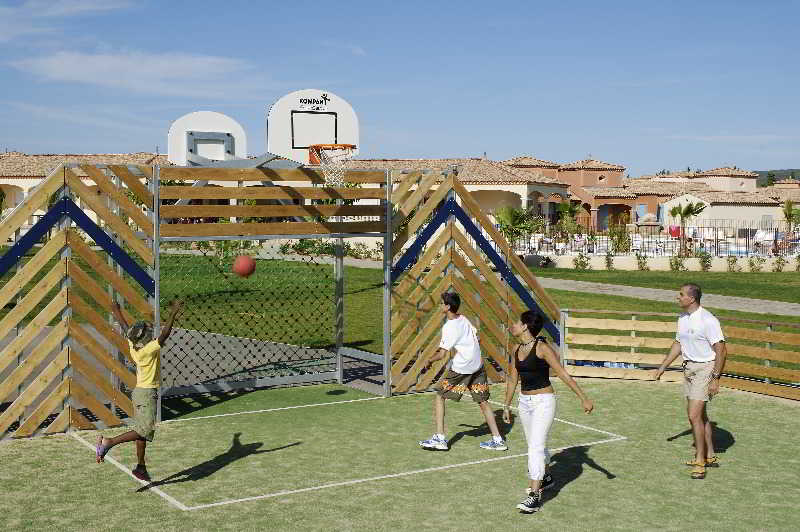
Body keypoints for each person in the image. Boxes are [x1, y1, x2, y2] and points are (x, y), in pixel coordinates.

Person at [502, 310, 594, 514]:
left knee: (535, 447)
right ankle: (547, 477)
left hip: (544, 401)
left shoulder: (542, 348)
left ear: (525, 326)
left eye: (517, 322)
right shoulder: (516, 348)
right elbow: (512, 379)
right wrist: (507, 405)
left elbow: (561, 373)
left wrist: (583, 397)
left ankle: (534, 497)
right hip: (524, 402)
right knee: (534, 444)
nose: (514, 325)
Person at [95, 299, 184, 481]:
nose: (152, 333)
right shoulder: (148, 350)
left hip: (139, 393)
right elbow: (164, 335)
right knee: (144, 430)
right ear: (144, 339)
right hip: (147, 394)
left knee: (141, 431)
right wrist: (174, 313)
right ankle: (109, 442)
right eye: (149, 333)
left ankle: (141, 467)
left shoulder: (134, 345)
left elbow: (125, 327)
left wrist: (116, 311)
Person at [654, 283, 727, 480]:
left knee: (693, 416)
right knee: (701, 415)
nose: (677, 297)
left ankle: (699, 461)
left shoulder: (708, 320)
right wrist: (663, 366)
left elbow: (721, 349)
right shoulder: (683, 318)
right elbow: (678, 343)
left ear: (692, 298)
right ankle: (710, 455)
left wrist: (715, 378)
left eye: (681, 295)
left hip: (705, 369)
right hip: (689, 369)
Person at [418, 291, 507, 452]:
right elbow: (478, 338)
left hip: (462, 369)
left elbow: (443, 354)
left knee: (439, 395)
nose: (439, 305)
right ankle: (498, 439)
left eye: (441, 303)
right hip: (477, 367)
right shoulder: (463, 318)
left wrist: (428, 360)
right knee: (483, 401)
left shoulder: (449, 327)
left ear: (447, 307)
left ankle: (440, 438)